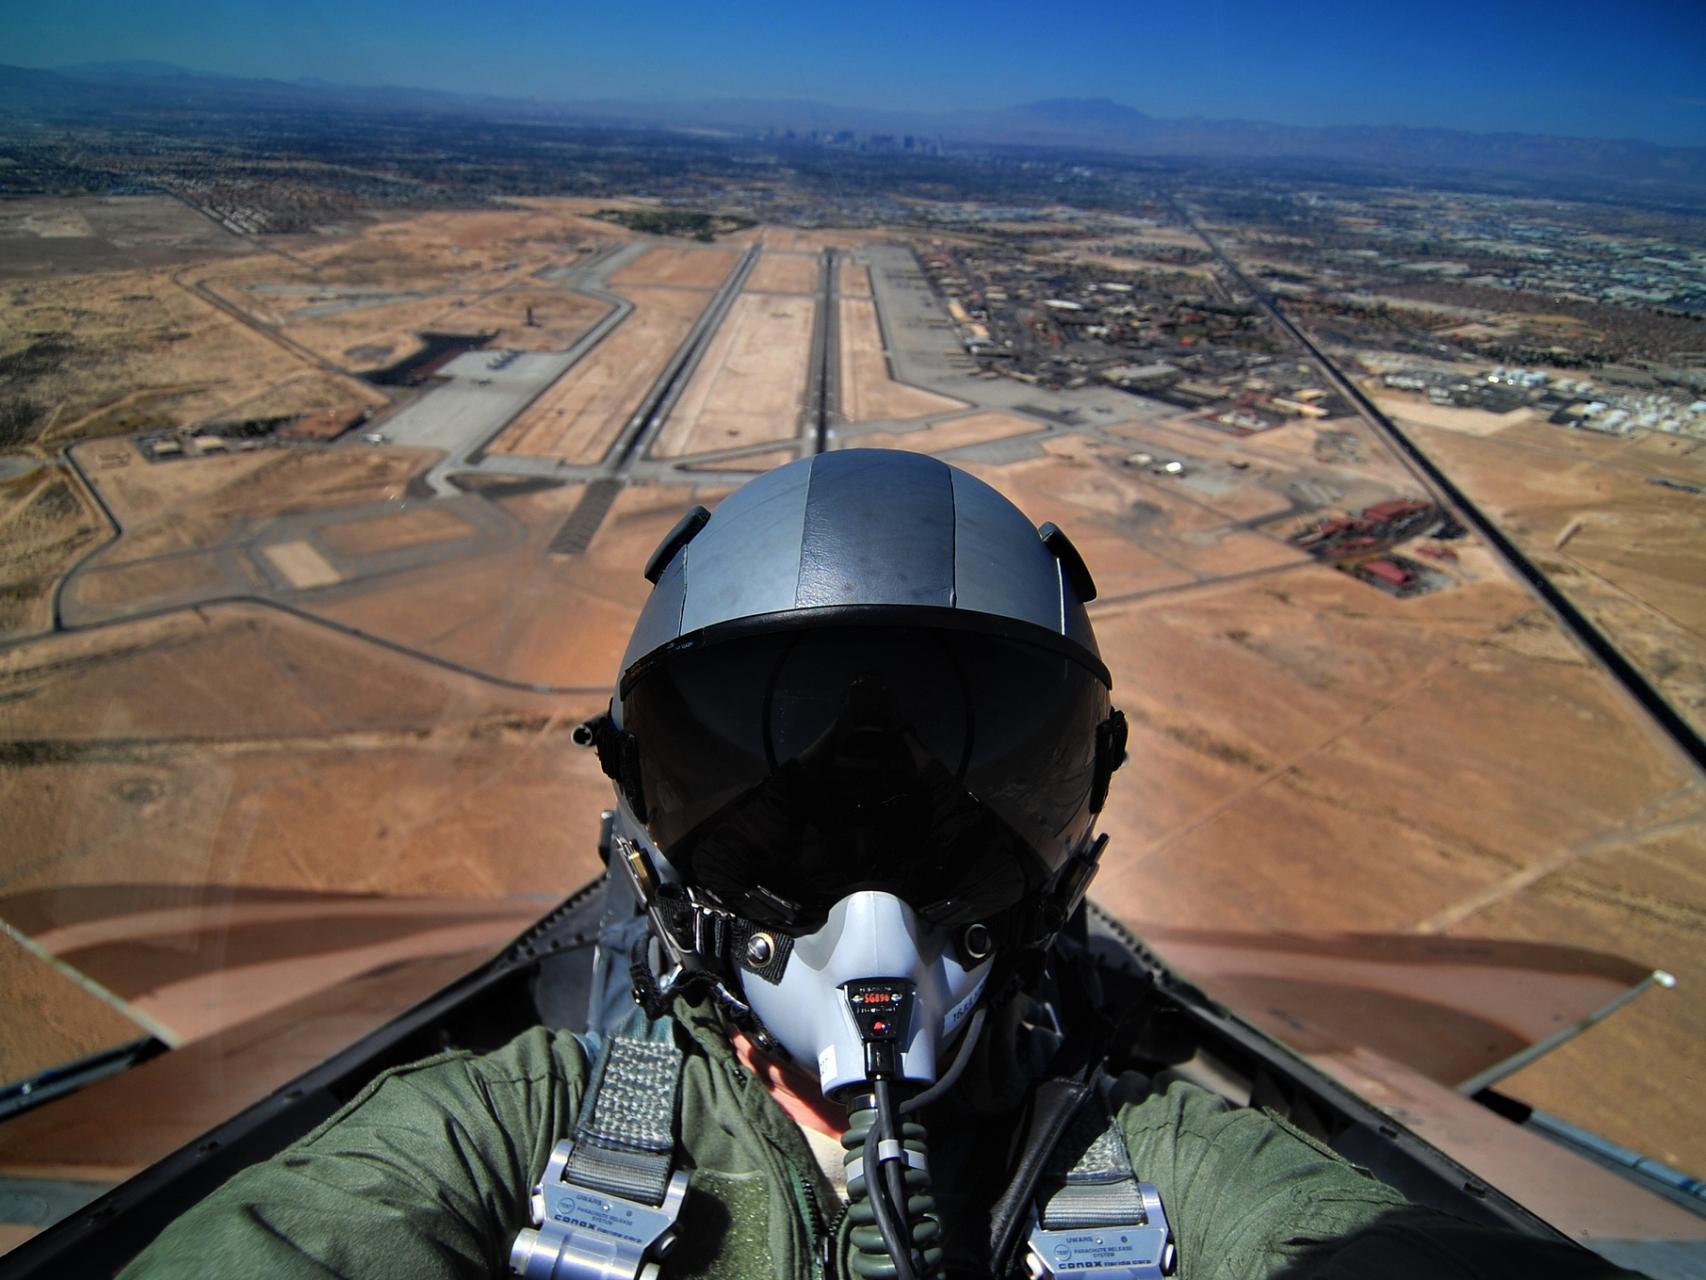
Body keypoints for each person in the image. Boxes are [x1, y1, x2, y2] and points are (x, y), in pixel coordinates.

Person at [121, 450, 1635, 1280]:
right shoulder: (502, 1136)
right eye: (787, 816)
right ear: (653, 834)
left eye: (944, 817)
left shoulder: (1167, 1175)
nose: (871, 912)